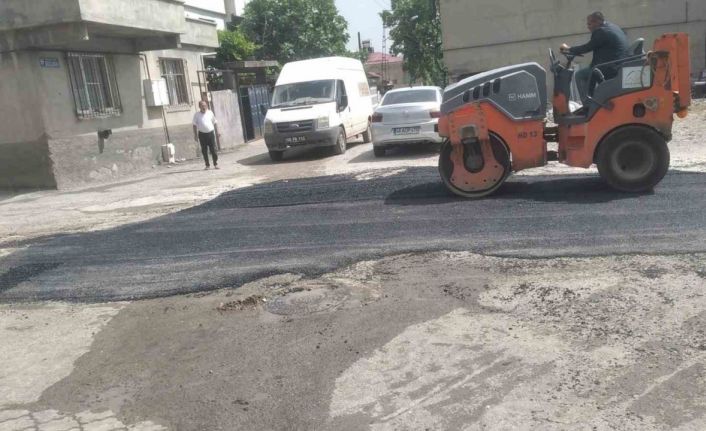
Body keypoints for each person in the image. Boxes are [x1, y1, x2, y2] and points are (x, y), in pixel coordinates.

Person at [560, 12, 630, 102]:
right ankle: (592, 101)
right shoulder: (613, 27)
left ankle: (588, 104)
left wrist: (569, 49)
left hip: (609, 68)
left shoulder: (601, 31)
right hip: (616, 65)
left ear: (597, 22)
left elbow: (587, 47)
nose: (588, 27)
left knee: (580, 75)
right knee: (591, 71)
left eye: (589, 24)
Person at [192, 101, 221, 170]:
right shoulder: (197, 115)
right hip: (202, 134)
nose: (204, 107)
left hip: (210, 133)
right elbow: (194, 125)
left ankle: (215, 164)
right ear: (199, 107)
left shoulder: (210, 113)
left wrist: (217, 132)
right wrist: (195, 135)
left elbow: (215, 122)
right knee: (204, 150)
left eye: (205, 105)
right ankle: (207, 165)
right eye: (202, 105)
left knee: (213, 150)